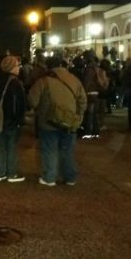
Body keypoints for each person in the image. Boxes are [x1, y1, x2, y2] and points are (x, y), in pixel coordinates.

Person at [27, 56, 87, 187]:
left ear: (48, 67)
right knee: (67, 150)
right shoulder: (74, 79)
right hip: (70, 121)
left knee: (49, 149)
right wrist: (78, 115)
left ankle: (49, 177)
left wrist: (40, 110)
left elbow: (32, 100)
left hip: (49, 120)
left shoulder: (43, 81)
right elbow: (83, 101)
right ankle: (70, 177)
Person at [0, 56, 27, 183]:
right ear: (12, 68)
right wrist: (19, 119)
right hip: (11, 119)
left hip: (0, 118)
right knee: (12, 146)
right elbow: (18, 104)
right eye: (17, 66)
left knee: (1, 146)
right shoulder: (14, 82)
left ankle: (0, 172)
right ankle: (12, 173)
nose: (19, 68)